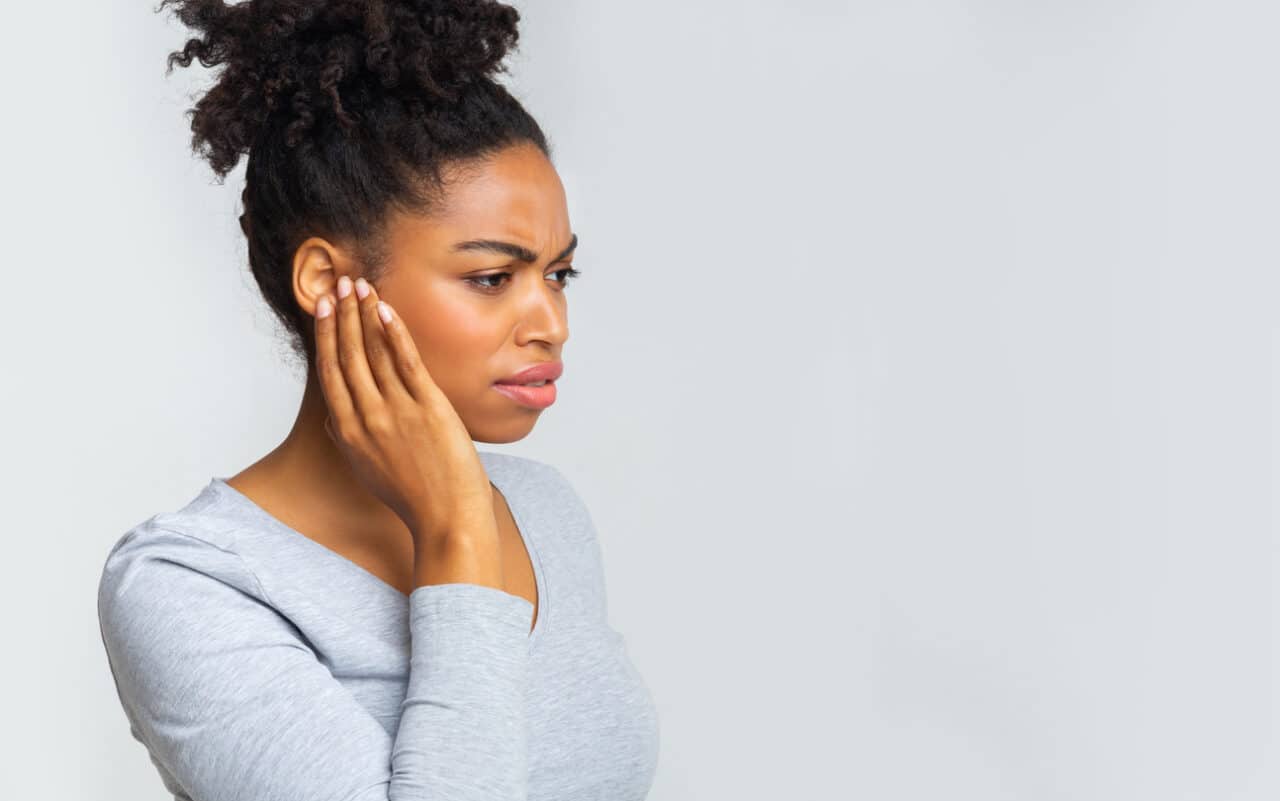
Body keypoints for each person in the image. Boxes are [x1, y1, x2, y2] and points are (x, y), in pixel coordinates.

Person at [95, 1, 660, 799]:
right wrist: (457, 529)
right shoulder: (191, 582)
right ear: (328, 283)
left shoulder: (546, 513)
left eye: (558, 275)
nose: (552, 323)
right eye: (493, 277)